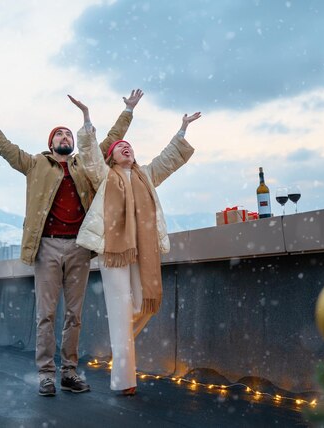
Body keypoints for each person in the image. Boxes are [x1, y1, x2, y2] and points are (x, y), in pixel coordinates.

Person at [0, 89, 144, 397]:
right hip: (46, 246)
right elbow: (5, 148)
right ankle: (46, 374)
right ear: (51, 143)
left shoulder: (84, 165)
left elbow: (108, 141)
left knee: (74, 314)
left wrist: (127, 110)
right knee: (46, 314)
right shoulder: (35, 164)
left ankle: (69, 372)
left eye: (67, 133)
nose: (64, 136)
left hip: (79, 247)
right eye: (59, 134)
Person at [70, 96, 200, 396]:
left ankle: (121, 344)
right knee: (119, 310)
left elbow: (168, 159)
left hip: (142, 250)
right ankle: (124, 380)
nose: (125, 148)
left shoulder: (146, 177)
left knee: (143, 305)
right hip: (112, 252)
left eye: (128, 146)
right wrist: (87, 116)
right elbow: (89, 154)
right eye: (118, 148)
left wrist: (182, 128)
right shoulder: (104, 177)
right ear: (112, 158)